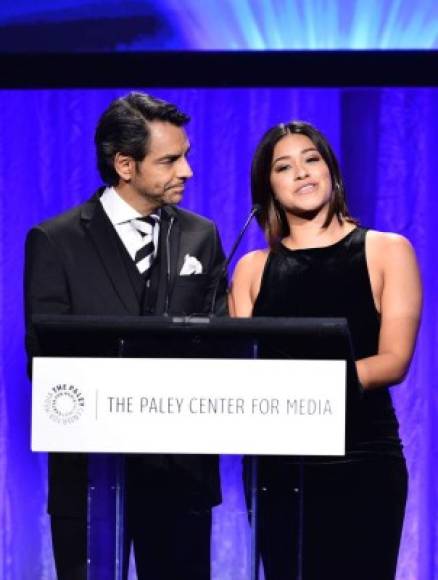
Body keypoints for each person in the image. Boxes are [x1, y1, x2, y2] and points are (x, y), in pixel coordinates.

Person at [24, 92, 227, 580]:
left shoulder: (202, 236)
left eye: (186, 156)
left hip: (182, 473)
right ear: (125, 165)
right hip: (90, 473)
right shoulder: (57, 240)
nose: (188, 172)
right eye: (171, 160)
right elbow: (45, 360)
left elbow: (221, 343)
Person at [229, 121, 422, 579]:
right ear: (268, 188)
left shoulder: (386, 250)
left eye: (311, 159)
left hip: (360, 455)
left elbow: (393, 361)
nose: (301, 172)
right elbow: (242, 370)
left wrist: (310, 389)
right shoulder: (253, 267)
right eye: (284, 166)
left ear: (332, 172)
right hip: (276, 463)